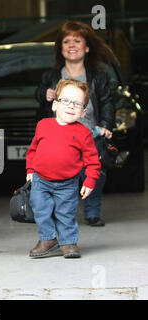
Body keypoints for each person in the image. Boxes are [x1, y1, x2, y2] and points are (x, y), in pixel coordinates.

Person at [36, 20, 116, 227]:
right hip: (60, 136)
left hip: (91, 134)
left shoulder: (99, 77)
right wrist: (44, 95)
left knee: (95, 174)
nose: (72, 45)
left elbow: (107, 102)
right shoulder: (51, 77)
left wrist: (106, 125)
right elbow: (41, 104)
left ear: (87, 47)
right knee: (59, 176)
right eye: (66, 41)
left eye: (77, 41)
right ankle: (60, 213)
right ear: (60, 49)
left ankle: (92, 212)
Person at [26, 79, 101, 259]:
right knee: (41, 209)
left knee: (65, 213)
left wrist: (90, 180)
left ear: (83, 112)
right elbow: (32, 151)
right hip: (41, 180)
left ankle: (68, 242)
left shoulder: (83, 132)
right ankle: (48, 239)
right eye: (65, 101)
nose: (70, 106)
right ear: (54, 105)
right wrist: (30, 171)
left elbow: (92, 160)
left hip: (68, 183)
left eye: (77, 103)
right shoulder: (43, 125)